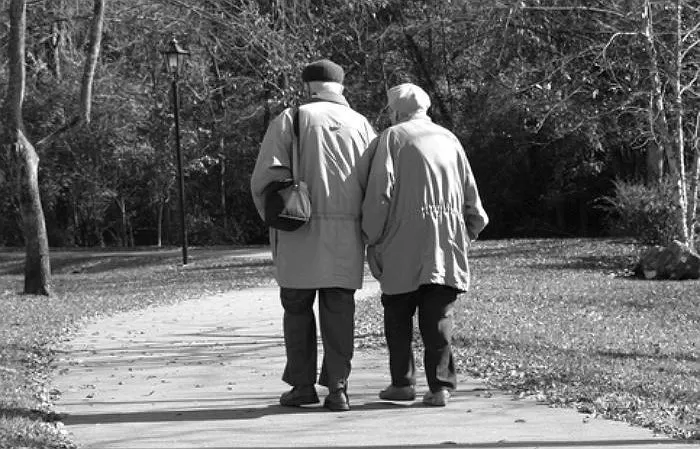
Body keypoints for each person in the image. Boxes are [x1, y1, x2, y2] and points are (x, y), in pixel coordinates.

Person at [250, 59, 376, 412]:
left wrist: (273, 222)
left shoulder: (291, 119)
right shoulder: (363, 125)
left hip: (297, 229)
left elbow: (264, 180)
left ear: (308, 86)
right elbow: (378, 183)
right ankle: (338, 388)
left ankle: (302, 386)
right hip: (346, 232)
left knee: (297, 309)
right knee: (339, 310)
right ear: (341, 86)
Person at [362, 83, 488, 407]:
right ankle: (441, 386)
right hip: (444, 239)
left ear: (396, 110)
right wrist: (470, 228)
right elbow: (470, 190)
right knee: (437, 316)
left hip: (400, 238)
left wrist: (371, 236)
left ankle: (402, 383)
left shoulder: (392, 138)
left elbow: (379, 193)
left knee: (397, 312)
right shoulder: (448, 139)